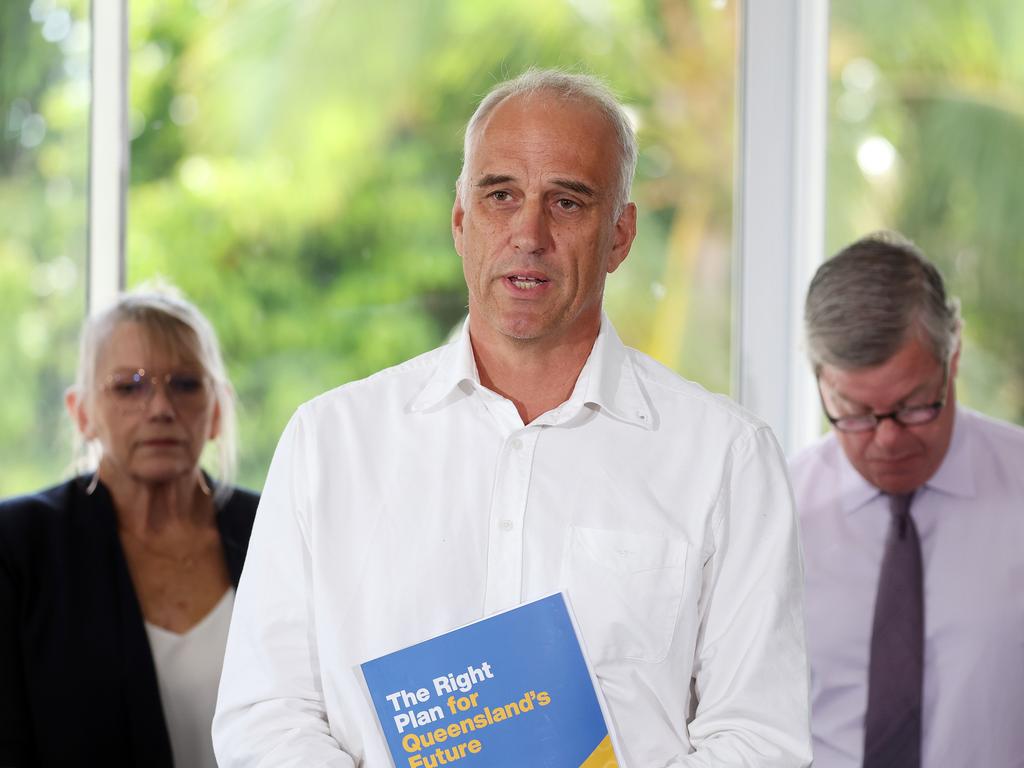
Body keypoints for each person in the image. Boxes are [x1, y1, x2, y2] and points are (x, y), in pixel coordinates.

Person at [214, 69, 811, 766]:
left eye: (567, 202)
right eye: (501, 196)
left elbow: (759, 740)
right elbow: (266, 717)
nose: (529, 233)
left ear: (619, 236)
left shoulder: (726, 460)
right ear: (461, 221)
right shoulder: (329, 443)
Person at [791, 232, 1024, 768]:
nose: (889, 439)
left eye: (916, 405)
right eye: (854, 412)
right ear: (820, 381)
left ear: (955, 355)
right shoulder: (773, 517)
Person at [0, 285, 259, 768]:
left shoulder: (273, 530)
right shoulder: (18, 546)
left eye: (185, 383)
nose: (160, 407)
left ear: (218, 409)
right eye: (128, 385)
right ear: (82, 413)